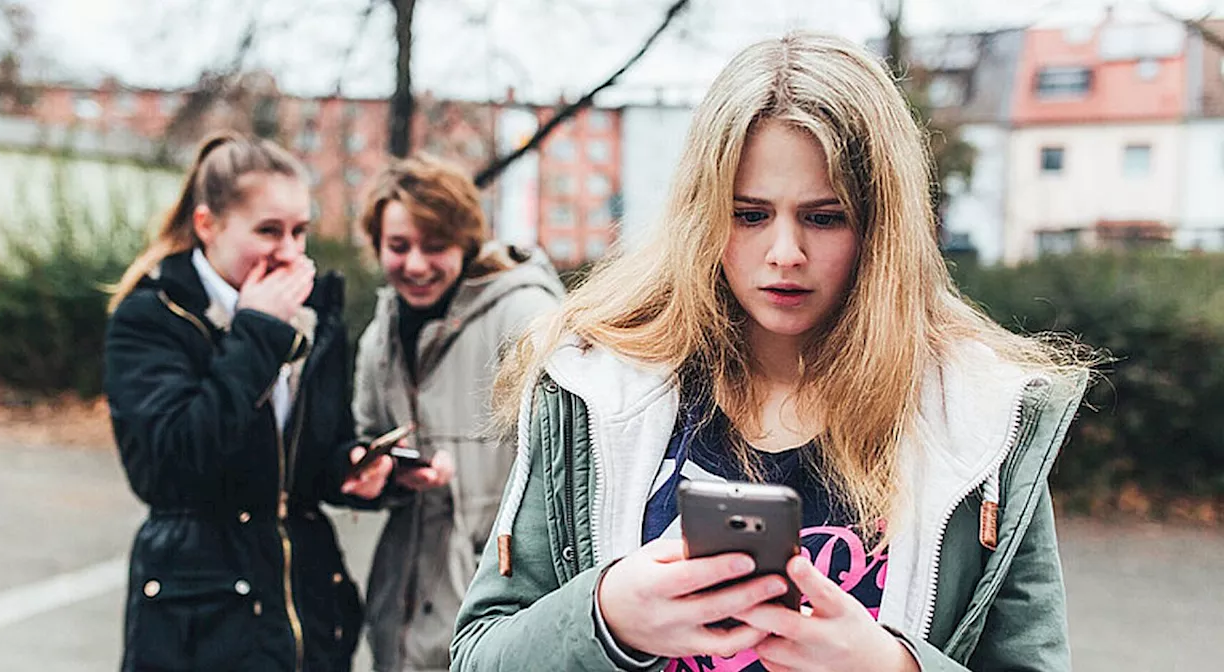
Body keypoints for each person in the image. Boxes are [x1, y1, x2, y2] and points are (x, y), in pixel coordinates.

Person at [451, 31, 1093, 672]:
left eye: (824, 216)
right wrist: (607, 615)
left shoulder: (981, 415)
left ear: (882, 225)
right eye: (750, 215)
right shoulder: (595, 383)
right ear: (702, 214)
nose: (785, 253)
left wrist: (892, 667)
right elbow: (478, 655)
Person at [105, 132, 393, 672]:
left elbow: (306, 462)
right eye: (268, 231)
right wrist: (257, 333)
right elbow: (169, 463)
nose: (288, 250)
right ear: (207, 224)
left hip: (304, 612)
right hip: (200, 617)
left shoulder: (315, 317)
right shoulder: (151, 318)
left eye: (299, 231)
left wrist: (349, 470)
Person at [352, 154, 564, 671]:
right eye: (399, 246)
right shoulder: (378, 337)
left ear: (466, 242)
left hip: (494, 618)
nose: (416, 265)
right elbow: (364, 441)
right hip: (400, 619)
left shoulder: (526, 316)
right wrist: (384, 475)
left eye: (435, 246)